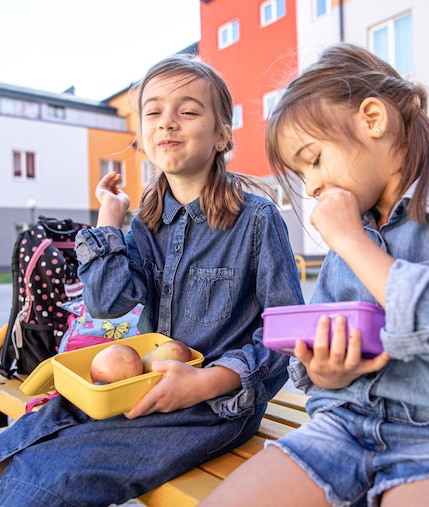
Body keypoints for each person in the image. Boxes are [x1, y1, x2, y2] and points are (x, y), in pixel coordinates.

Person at [201, 43, 429, 507]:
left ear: (374, 119)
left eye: (314, 160)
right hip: (342, 428)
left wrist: (355, 245)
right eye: (301, 176)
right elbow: (315, 354)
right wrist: (325, 371)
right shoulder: (353, 230)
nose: (313, 186)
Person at [0, 54, 304, 505]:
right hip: (137, 386)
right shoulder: (145, 224)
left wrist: (207, 381)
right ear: (142, 138)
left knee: (51, 482)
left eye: (188, 111)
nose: (168, 123)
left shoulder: (256, 220)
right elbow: (107, 303)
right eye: (154, 112)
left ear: (222, 134)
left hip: (214, 407)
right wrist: (109, 221)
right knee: (20, 446)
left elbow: (289, 332)